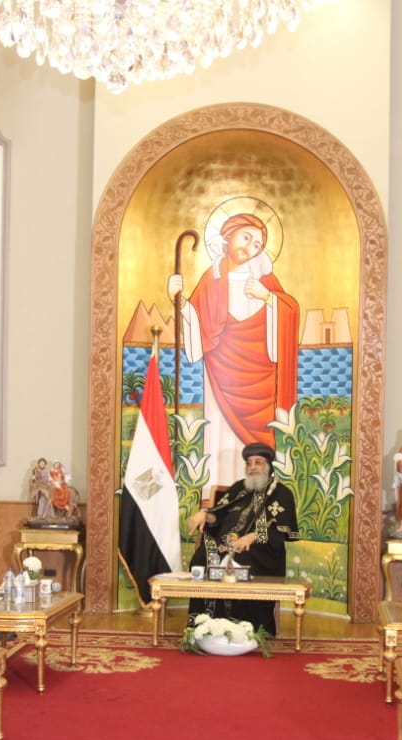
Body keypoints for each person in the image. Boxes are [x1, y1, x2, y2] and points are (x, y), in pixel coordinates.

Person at [168, 210, 300, 500]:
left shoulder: (266, 280)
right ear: (228, 236)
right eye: (246, 237)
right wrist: (178, 301)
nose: (250, 247)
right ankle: (214, 505)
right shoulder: (212, 279)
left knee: (257, 443)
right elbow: (196, 322)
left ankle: (260, 501)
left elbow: (290, 313)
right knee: (219, 435)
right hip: (220, 375)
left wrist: (269, 298)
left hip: (260, 382)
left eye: (257, 244)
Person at [185, 442, 299, 635]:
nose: (253, 467)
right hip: (226, 543)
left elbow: (284, 532)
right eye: (249, 463)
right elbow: (218, 515)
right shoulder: (238, 488)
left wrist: (253, 536)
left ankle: (244, 628)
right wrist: (205, 515)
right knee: (203, 557)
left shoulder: (282, 493)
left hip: (261, 551)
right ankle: (204, 625)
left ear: (268, 466)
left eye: (258, 462)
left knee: (241, 559)